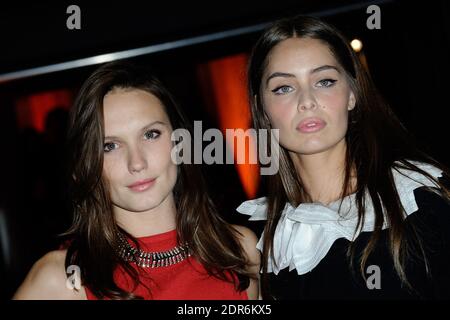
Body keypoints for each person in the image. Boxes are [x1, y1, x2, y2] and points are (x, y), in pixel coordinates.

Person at [237, 15, 450, 299]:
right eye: (283, 88)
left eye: (324, 81)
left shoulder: (420, 199)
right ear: (262, 109)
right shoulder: (263, 240)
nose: (307, 101)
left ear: (352, 94)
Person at [13, 62, 259, 300]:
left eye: (151, 134)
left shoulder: (240, 249)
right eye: (109, 146)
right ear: (84, 165)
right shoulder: (63, 279)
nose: (137, 162)